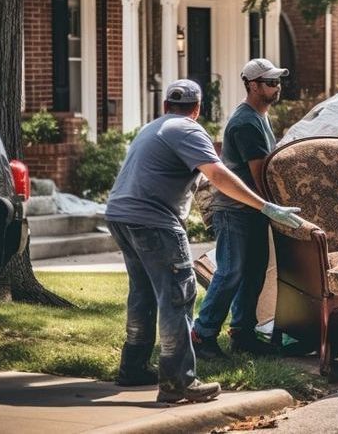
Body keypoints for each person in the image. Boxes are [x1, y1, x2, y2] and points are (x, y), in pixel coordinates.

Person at [105, 79, 302, 404]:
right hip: (154, 221)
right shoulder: (188, 129)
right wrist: (266, 206)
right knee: (178, 297)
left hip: (120, 215)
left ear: (166, 105)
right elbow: (218, 175)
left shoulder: (152, 128)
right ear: (197, 109)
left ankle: (133, 366)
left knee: (142, 293)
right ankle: (178, 382)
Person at [192, 59, 289, 359]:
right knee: (231, 272)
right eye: (270, 82)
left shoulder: (260, 116)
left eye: (277, 81)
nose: (276, 87)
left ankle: (242, 333)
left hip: (253, 211)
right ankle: (202, 334)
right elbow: (259, 174)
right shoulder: (246, 122)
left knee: (254, 272)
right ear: (252, 85)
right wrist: (275, 208)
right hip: (234, 210)